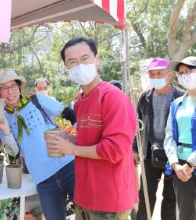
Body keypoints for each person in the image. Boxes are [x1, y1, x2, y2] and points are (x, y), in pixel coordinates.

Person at [47, 37, 138, 219]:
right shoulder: (80, 101)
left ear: (97, 59)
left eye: (85, 58)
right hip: (85, 194)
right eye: (72, 62)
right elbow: (91, 140)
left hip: (109, 200)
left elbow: (114, 149)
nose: (79, 65)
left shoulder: (113, 97)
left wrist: (72, 149)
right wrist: (71, 139)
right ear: (66, 67)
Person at [0, 68, 75, 220]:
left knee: (87, 213)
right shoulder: (1, 120)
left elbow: (69, 114)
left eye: (13, 86)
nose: (10, 92)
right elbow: (14, 153)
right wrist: (5, 128)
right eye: (4, 88)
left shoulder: (37, 100)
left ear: (19, 87)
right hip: (43, 179)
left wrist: (79, 138)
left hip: (68, 167)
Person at [134, 58, 182, 220]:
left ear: (169, 75)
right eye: (152, 74)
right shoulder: (144, 98)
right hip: (149, 154)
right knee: (146, 195)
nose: (156, 76)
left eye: (159, 73)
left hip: (174, 156)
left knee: (171, 196)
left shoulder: (180, 97)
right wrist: (135, 149)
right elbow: (137, 125)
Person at [164, 56, 196, 220]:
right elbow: (169, 135)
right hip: (181, 169)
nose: (184, 76)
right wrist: (175, 164)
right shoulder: (177, 103)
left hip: (190, 165)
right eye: (181, 73)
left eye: (188, 71)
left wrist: (191, 163)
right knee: (184, 214)